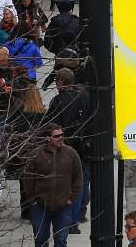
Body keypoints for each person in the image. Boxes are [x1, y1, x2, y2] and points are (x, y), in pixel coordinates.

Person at [23, 123, 83, 247]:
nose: (61, 138)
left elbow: (78, 177)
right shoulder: (36, 155)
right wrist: (33, 199)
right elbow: (27, 178)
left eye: (62, 135)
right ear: (47, 138)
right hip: (40, 206)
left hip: (63, 206)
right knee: (40, 239)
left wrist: (72, 198)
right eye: (56, 136)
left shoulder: (71, 154)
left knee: (61, 240)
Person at [46, 69, 91, 230]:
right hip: (83, 148)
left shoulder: (58, 101)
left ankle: (69, 219)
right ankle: (78, 215)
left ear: (60, 81)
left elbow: (50, 125)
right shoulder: (85, 98)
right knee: (82, 182)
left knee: (67, 183)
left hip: (64, 148)